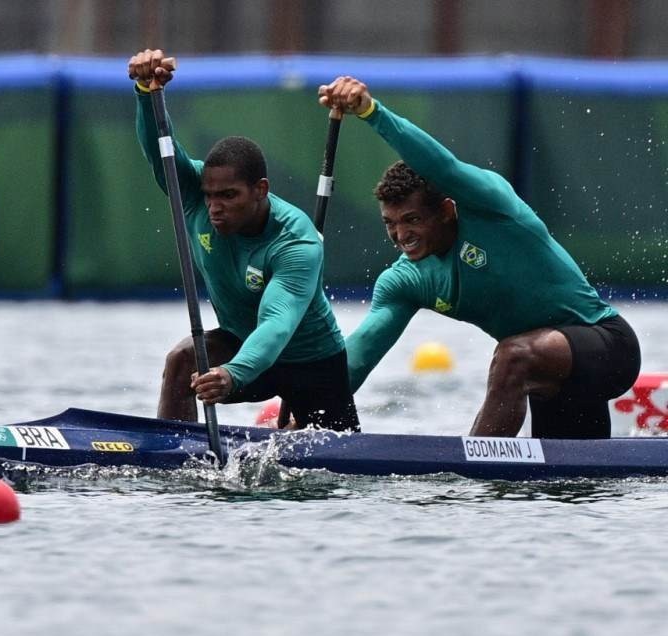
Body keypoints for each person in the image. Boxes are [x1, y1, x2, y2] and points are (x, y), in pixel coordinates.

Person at [317, 75, 641, 438]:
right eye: (390, 223)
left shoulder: (490, 206)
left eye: (412, 220)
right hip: (549, 375)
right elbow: (359, 357)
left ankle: (472, 481)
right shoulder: (404, 281)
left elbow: (442, 166)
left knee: (511, 356)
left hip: (608, 348)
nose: (401, 235)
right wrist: (309, 409)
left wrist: (371, 112)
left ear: (447, 210)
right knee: (570, 490)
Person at [128, 49, 360, 432]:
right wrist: (144, 90)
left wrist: (234, 374)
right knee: (182, 361)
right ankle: (171, 457)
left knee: (336, 478)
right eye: (210, 196)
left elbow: (276, 325)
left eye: (229, 196)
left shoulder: (297, 242)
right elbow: (162, 153)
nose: (215, 207)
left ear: (261, 190)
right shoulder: (196, 194)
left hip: (310, 362)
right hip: (239, 343)